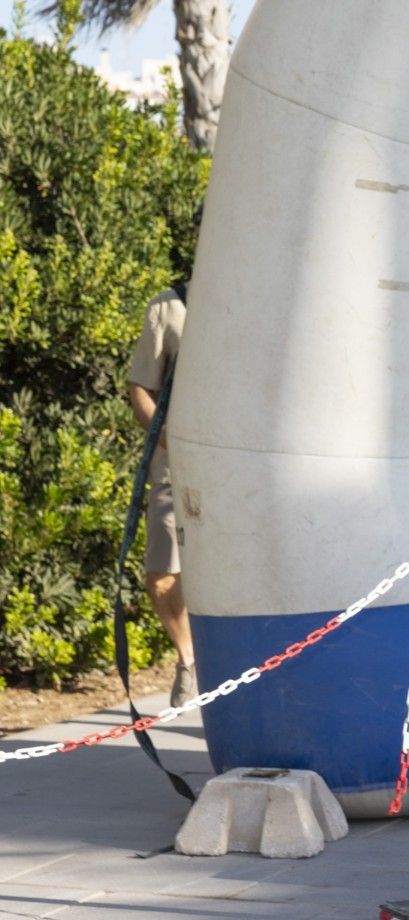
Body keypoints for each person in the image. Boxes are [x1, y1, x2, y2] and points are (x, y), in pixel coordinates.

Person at [129, 284, 197, 708]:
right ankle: (189, 660)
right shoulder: (169, 306)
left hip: (245, 466)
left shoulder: (255, 291)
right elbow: (140, 390)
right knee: (161, 575)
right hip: (175, 464)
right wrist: (171, 438)